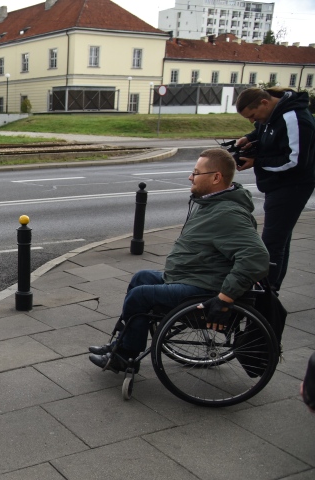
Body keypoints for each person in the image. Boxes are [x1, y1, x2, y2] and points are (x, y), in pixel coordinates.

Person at [89, 149, 269, 372]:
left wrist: (224, 298)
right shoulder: (212, 204)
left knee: (140, 296)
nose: (190, 177)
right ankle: (120, 344)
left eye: (196, 173)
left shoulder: (227, 212)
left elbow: (257, 257)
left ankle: (126, 357)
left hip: (205, 288)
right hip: (194, 277)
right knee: (141, 277)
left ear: (216, 178)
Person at [235, 87, 315, 291]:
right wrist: (250, 138)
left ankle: (266, 294)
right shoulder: (273, 113)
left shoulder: (293, 117)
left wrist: (257, 162)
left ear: (264, 102)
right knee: (280, 238)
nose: (253, 121)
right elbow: (267, 130)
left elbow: (295, 161)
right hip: (279, 185)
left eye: (253, 116)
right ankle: (271, 289)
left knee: (271, 243)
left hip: (291, 187)